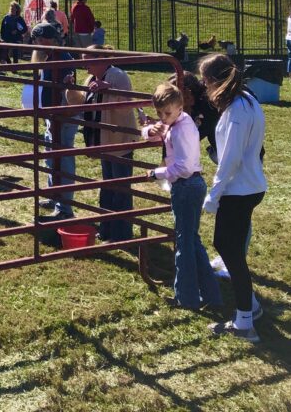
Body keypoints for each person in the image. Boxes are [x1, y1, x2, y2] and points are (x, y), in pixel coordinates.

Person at [199, 53, 267, 343]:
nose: (204, 87)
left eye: (205, 82)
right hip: (249, 186)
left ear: (216, 80)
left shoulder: (237, 110)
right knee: (231, 249)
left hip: (239, 189)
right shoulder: (247, 101)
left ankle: (244, 321)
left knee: (230, 252)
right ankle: (248, 307)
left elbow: (231, 159)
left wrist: (213, 195)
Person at [141, 82, 222, 310]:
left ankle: (186, 298)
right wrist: (150, 129)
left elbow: (183, 167)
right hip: (189, 185)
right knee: (191, 241)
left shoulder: (180, 129)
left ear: (179, 106)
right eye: (159, 113)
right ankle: (211, 295)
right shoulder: (179, 120)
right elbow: (153, 131)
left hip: (186, 186)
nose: (162, 117)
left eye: (166, 113)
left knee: (184, 245)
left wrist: (155, 174)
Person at [82, 49, 138, 242]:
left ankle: (122, 234)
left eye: (87, 61)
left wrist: (109, 90)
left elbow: (125, 108)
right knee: (107, 187)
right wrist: (70, 88)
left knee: (120, 188)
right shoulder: (90, 78)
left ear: (100, 60)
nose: (85, 66)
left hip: (119, 141)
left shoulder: (118, 76)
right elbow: (82, 102)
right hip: (104, 141)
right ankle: (107, 229)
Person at [31, 22, 77, 220]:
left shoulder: (61, 57)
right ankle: (54, 193)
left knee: (63, 158)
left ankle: (65, 208)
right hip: (53, 114)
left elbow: (66, 89)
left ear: (44, 40)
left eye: (38, 40)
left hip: (63, 115)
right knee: (51, 154)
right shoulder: (50, 56)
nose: (37, 44)